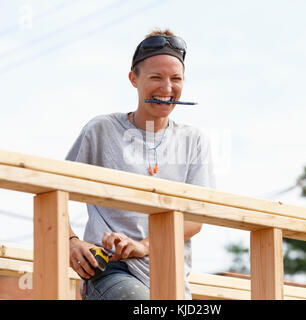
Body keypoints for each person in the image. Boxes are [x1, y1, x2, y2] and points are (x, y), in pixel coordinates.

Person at [65, 28, 215, 300]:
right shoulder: (102, 130)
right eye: (156, 77)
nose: (167, 89)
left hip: (170, 279)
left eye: (176, 79)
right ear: (133, 78)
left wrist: (143, 246)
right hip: (111, 270)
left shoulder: (193, 140)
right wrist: (71, 242)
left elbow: (195, 218)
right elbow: (52, 192)